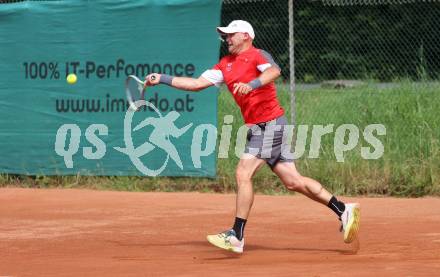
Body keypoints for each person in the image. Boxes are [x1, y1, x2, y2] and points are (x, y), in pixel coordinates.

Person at [145, 20, 360, 254]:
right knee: (293, 181)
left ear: (246, 36)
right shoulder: (224, 64)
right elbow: (197, 84)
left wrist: (252, 84)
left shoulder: (258, 55)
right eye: (225, 35)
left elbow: (274, 71)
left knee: (242, 173)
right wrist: (163, 79)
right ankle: (343, 209)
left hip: (270, 125)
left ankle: (236, 235)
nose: (227, 38)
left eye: (231, 34)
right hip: (262, 128)